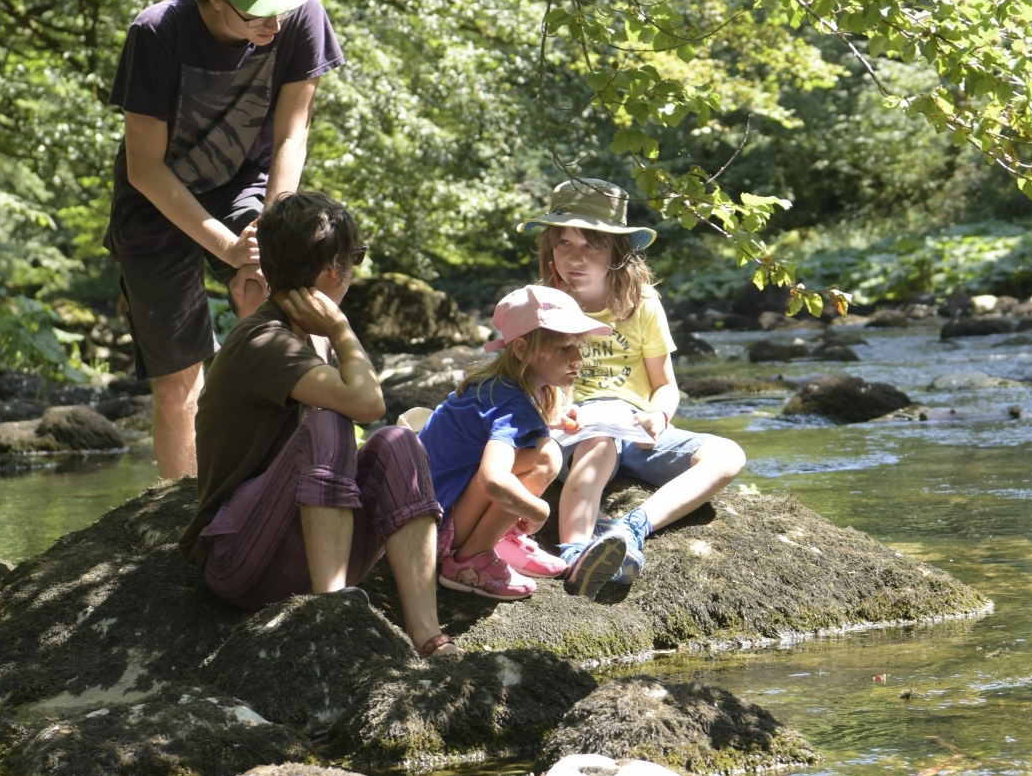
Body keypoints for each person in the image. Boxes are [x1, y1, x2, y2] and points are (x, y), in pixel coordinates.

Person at [104, 0, 343, 480]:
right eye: (258, 13)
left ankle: (320, 476)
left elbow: (292, 133)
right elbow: (145, 168)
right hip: (158, 203)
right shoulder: (157, 33)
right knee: (178, 377)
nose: (276, 23)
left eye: (281, 7)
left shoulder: (302, 12)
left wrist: (272, 230)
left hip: (251, 184)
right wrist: (228, 248)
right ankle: (184, 513)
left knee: (296, 312)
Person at [179, 190, 455, 657]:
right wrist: (343, 329)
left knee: (399, 443)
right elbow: (366, 402)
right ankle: (331, 617)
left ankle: (427, 636)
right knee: (332, 421)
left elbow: (374, 419)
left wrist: (332, 336)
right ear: (333, 270)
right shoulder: (264, 339)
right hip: (239, 561)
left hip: (292, 544)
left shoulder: (301, 335)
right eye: (354, 260)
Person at [520, 179, 747, 602]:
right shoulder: (542, 306)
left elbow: (665, 386)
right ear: (549, 248)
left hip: (637, 429)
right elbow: (526, 382)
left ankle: (632, 526)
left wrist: (658, 417)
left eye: (592, 245)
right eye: (564, 243)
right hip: (573, 429)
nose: (575, 258)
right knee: (599, 444)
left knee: (728, 455)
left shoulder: (642, 303)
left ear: (616, 252)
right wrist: (553, 413)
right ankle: (576, 551)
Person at [417, 285, 610, 601]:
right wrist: (538, 511)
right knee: (545, 456)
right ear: (521, 349)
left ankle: (496, 537)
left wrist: (550, 417)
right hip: (435, 534)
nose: (578, 358)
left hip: (420, 520)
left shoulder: (491, 385)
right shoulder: (514, 406)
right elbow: (492, 480)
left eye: (579, 346)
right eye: (564, 348)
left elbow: (485, 430)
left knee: (537, 445)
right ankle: (470, 560)